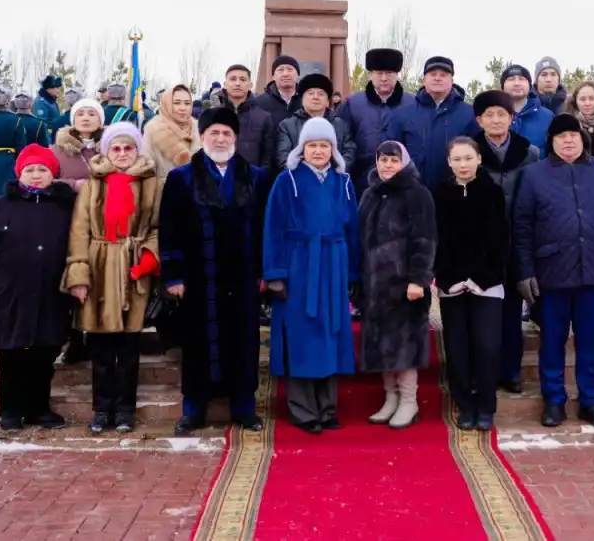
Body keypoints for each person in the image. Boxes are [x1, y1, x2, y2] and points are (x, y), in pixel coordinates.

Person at [515, 114, 594, 428]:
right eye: (562, 136)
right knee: (552, 340)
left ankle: (590, 401)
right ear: (551, 141)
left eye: (574, 135)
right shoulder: (534, 175)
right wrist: (524, 271)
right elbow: (522, 227)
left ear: (583, 140)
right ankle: (554, 400)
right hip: (551, 271)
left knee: (589, 340)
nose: (569, 141)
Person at [161, 107, 271, 433]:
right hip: (198, 278)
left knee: (243, 340)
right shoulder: (181, 177)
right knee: (197, 343)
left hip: (243, 276)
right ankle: (194, 408)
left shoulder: (256, 177)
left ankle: (244, 406)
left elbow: (266, 228)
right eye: (214, 133)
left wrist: (265, 271)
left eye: (226, 133)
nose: (220, 138)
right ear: (202, 136)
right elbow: (169, 228)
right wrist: (174, 275)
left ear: (235, 138)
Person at [0, 144, 74, 432]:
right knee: (10, 352)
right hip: (8, 292)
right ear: (19, 173)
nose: (36, 175)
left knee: (45, 350)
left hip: (51, 292)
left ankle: (38, 407)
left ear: (54, 174)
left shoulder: (65, 207)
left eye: (42, 170)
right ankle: (11, 409)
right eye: (30, 170)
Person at [61, 123, 160, 434]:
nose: (121, 154)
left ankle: (125, 410)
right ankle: (102, 409)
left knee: (129, 348)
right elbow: (79, 231)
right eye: (115, 148)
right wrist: (79, 274)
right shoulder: (93, 185)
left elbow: (159, 227)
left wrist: (148, 256)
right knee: (101, 349)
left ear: (137, 150)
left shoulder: (153, 184)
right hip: (100, 266)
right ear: (106, 151)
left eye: (127, 148)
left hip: (133, 271)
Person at [264, 118, 361, 434]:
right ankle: (304, 410)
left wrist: (355, 274)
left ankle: (327, 407)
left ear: (333, 149)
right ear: (301, 149)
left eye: (324, 145)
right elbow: (273, 228)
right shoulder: (287, 181)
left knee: (331, 334)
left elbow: (354, 230)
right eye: (312, 145)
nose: (318, 151)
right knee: (301, 335)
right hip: (299, 265)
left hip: (334, 263)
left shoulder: (344, 182)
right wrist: (275, 273)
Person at [358, 140, 435, 430]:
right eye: (383, 160)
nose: (387, 165)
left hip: (405, 285)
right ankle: (390, 397)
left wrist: (419, 279)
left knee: (404, 344)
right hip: (375, 285)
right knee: (381, 343)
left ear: (404, 162)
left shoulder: (417, 194)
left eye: (393, 160)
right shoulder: (370, 194)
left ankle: (408, 400)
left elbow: (425, 240)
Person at [435, 137, 508, 431]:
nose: (463, 164)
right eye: (457, 159)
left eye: (468, 158)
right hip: (452, 285)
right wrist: (451, 278)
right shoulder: (439, 193)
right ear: (449, 162)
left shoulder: (492, 192)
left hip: (486, 284)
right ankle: (465, 405)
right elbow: (438, 240)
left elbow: (500, 240)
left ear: (478, 159)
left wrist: (479, 278)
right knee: (457, 348)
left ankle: (486, 406)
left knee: (486, 347)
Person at [471, 90, 539, 395]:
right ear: (479, 120)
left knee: (512, 310)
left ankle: (510, 371)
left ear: (511, 119)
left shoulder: (530, 153)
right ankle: (483, 370)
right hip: (482, 243)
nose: (496, 120)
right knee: (483, 311)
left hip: (516, 240)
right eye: (489, 115)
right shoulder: (470, 152)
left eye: (502, 114)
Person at [50, 97, 104, 366]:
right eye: (80, 113)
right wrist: (75, 184)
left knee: (99, 279)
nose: (85, 118)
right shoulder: (58, 149)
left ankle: (96, 338)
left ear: (100, 120)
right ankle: (73, 339)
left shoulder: (110, 146)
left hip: (104, 223)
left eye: (91, 113)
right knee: (72, 278)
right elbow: (48, 179)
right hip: (68, 222)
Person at [384, 56, 475, 188]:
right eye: (432, 74)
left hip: (456, 193)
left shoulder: (469, 114)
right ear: (424, 80)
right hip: (412, 191)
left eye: (443, 75)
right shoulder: (402, 114)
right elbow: (390, 152)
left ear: (452, 81)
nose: (437, 78)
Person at [336, 48, 413, 192]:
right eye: (379, 73)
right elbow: (342, 142)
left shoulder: (412, 104)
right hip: (361, 181)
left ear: (397, 75)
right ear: (370, 75)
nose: (384, 78)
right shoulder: (353, 104)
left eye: (389, 73)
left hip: (401, 183)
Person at [275, 73, 356, 171]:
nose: (315, 97)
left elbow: (349, 153)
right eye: (310, 93)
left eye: (321, 94)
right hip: (299, 182)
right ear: (302, 100)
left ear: (327, 102)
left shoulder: (341, 125)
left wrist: (331, 175)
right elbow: (283, 158)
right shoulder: (287, 126)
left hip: (333, 181)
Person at [213, 65, 276, 171]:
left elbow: (268, 156)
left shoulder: (263, 117)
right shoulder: (213, 115)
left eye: (242, 79)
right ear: (225, 84)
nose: (237, 83)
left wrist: (259, 178)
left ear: (250, 84)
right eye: (233, 79)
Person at [143, 83, 201, 181]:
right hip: (164, 192)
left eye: (187, 103)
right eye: (177, 103)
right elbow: (146, 167)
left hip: (197, 192)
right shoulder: (153, 128)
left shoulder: (199, 127)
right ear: (167, 104)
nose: (183, 108)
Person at [500, 64, 554, 156]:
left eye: (521, 79)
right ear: (502, 86)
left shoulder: (547, 117)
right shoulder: (490, 116)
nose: (517, 83)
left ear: (529, 85)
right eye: (511, 79)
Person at [255, 54, 302, 127]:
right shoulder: (259, 103)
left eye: (290, 69)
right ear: (273, 76)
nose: (285, 74)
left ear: (298, 74)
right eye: (280, 70)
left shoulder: (307, 100)